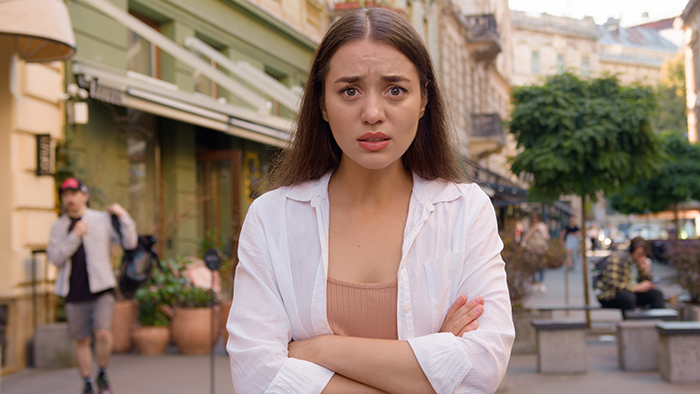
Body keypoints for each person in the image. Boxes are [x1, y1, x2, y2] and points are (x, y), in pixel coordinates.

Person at [227, 8, 514, 394]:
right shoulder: (271, 218)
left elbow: (482, 367)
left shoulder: (464, 210)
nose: (373, 113)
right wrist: (429, 370)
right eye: (350, 90)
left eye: (395, 89)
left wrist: (319, 350)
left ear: (424, 100)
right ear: (322, 104)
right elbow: (257, 377)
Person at [47, 178, 137, 394]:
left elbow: (130, 242)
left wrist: (123, 216)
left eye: (74, 193)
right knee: (82, 339)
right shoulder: (58, 227)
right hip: (74, 290)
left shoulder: (100, 220)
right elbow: (55, 258)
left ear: (85, 196)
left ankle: (103, 371)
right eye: (66, 194)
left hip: (102, 288)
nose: (70, 198)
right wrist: (74, 236)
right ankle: (87, 382)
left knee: (103, 333)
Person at [595, 237, 665, 311]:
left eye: (644, 254)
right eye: (639, 254)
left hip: (632, 292)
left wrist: (646, 271)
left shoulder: (640, 262)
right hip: (611, 294)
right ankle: (630, 321)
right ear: (632, 250)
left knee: (657, 294)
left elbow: (644, 283)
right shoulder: (617, 258)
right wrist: (635, 288)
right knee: (628, 297)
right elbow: (613, 283)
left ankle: (657, 319)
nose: (641, 257)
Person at [521, 212, 550, 293]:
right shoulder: (529, 228)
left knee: (541, 266)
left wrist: (539, 232)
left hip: (541, 249)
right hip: (532, 249)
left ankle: (541, 282)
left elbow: (546, 237)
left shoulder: (542, 227)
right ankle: (534, 282)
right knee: (532, 267)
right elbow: (525, 238)